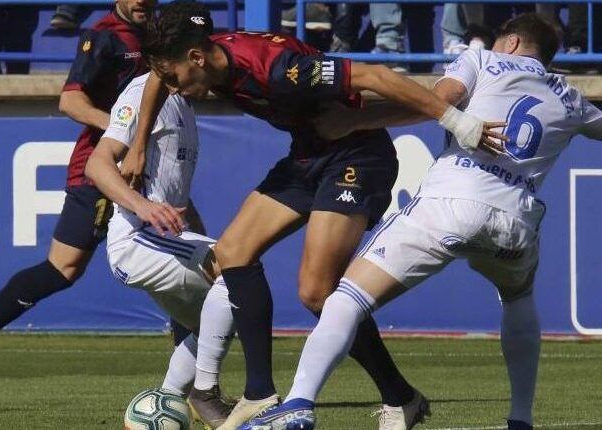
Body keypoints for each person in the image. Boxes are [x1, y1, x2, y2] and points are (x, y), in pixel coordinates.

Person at [124, 2, 503, 429]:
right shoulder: (200, 60)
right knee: (231, 253)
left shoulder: (278, 68)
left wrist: (456, 120)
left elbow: (375, 77)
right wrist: (139, 144)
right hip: (308, 155)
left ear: (196, 57)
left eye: (176, 76)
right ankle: (260, 395)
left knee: (317, 293)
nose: (173, 87)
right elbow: (156, 77)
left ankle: (400, 396)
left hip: (357, 156)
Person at [242, 13, 602, 430]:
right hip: (514, 221)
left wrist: (355, 120)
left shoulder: (482, 59)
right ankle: (520, 419)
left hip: (451, 202)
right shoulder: (570, 96)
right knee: (519, 300)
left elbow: (437, 100)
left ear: (513, 43)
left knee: (345, 297)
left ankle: (300, 403)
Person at [0, 0, 162, 394]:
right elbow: (70, 100)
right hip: (100, 167)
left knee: (172, 252)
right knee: (64, 268)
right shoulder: (104, 37)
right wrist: (122, 132)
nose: (143, 1)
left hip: (151, 164)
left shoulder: (161, 35)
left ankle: (198, 384)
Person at [85, 71, 236, 428]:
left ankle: (166, 400)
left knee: (217, 319)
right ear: (189, 58)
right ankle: (206, 392)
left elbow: (171, 190)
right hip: (134, 240)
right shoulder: (139, 92)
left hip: (166, 240)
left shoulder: (184, 105)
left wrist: (193, 229)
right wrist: (142, 206)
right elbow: (97, 164)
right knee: (238, 269)